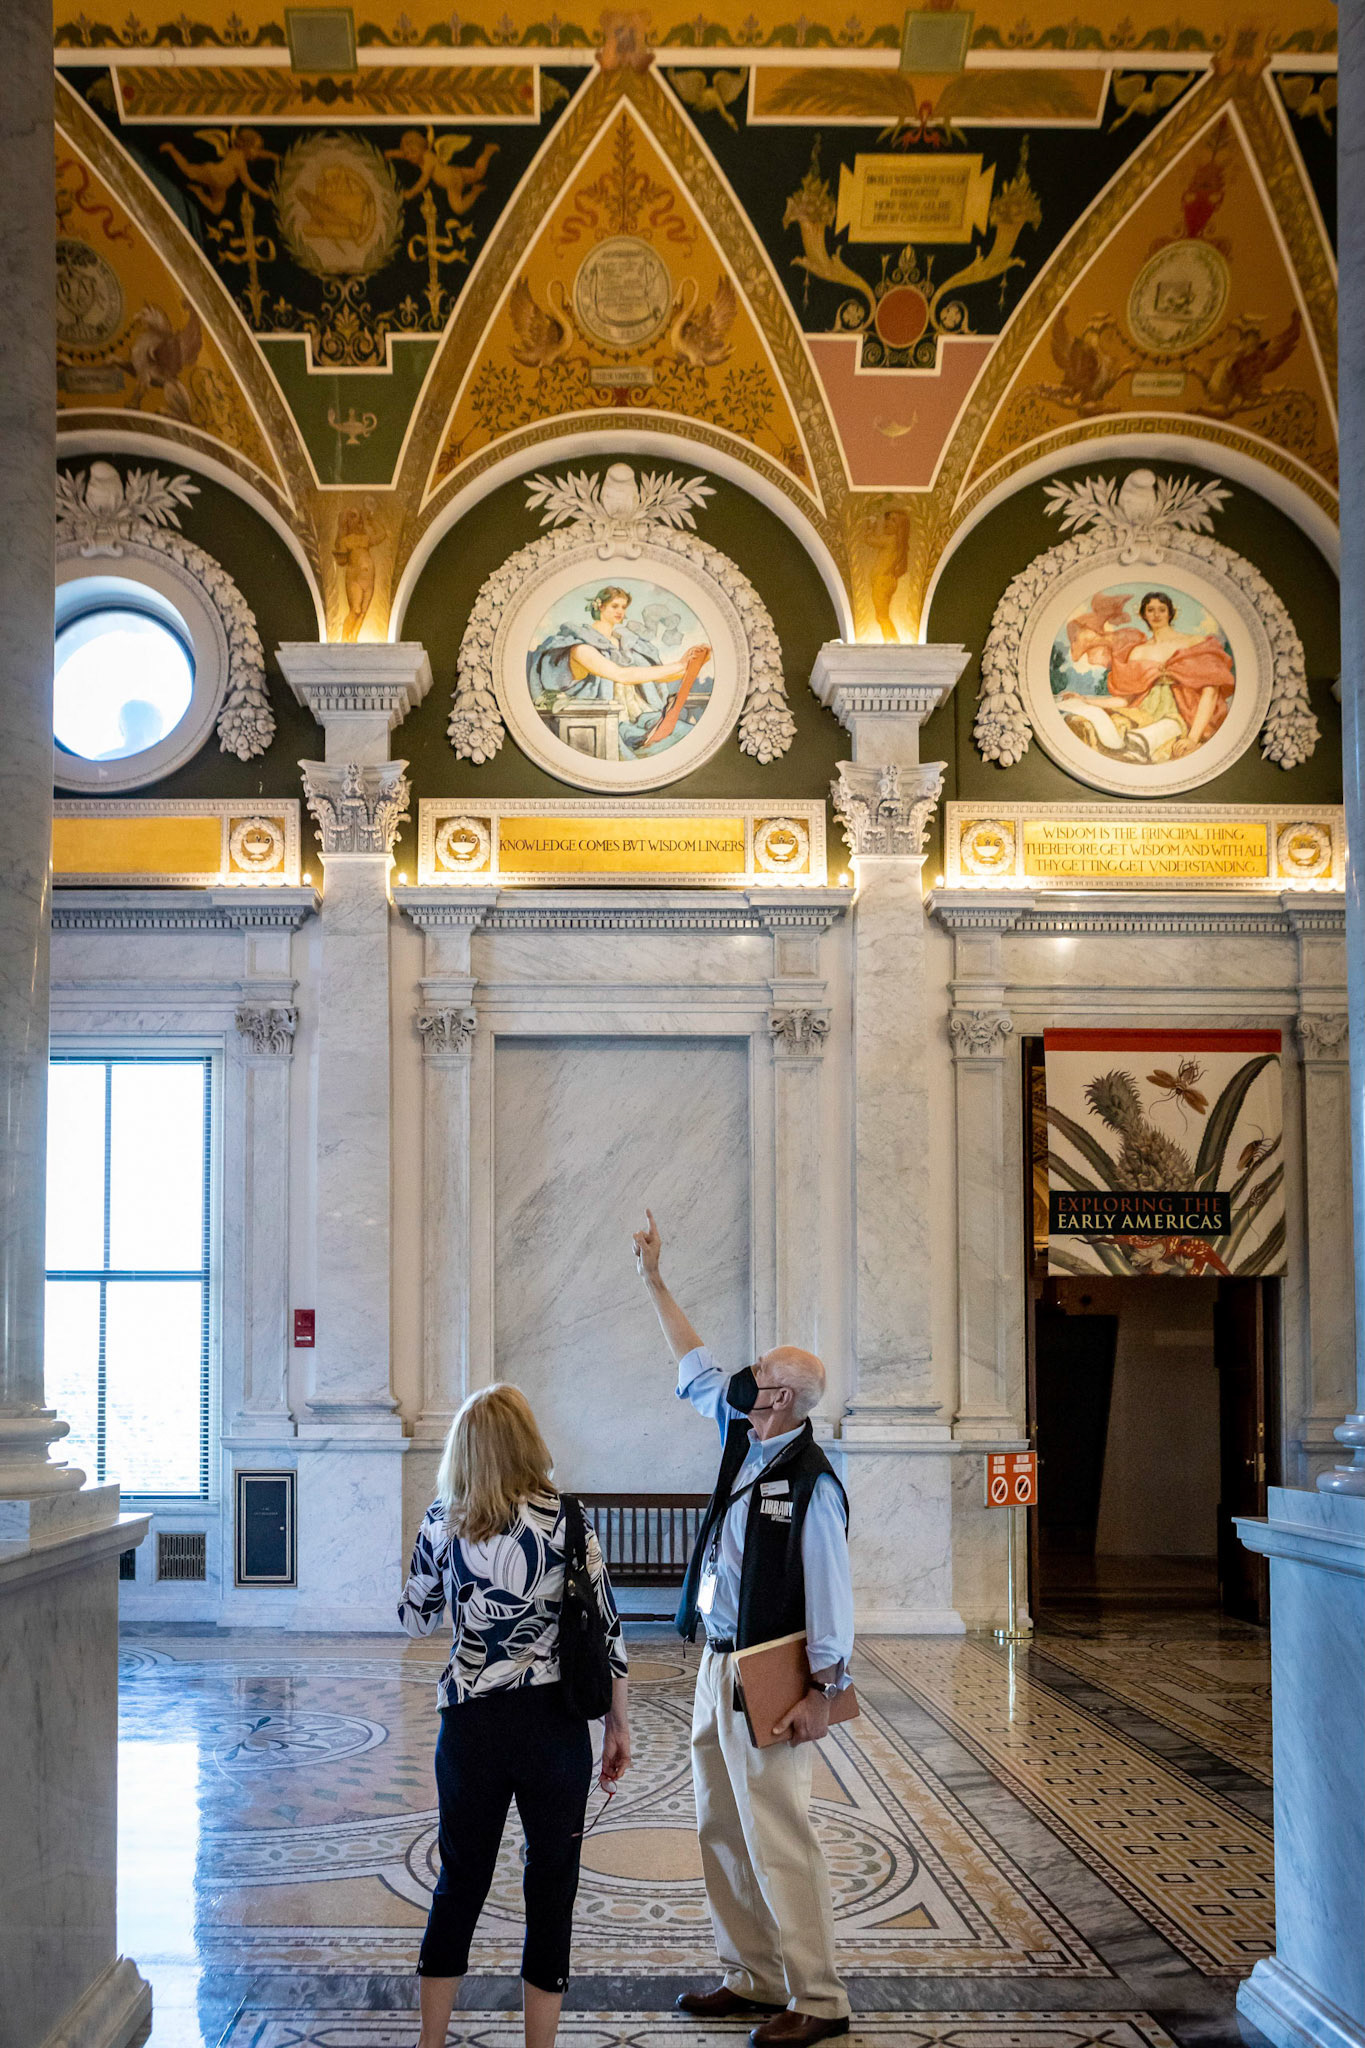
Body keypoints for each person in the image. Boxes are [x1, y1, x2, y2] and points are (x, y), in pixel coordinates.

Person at [632, 1209, 853, 2048]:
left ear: (783, 1396)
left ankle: (819, 1997)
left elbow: (831, 1595)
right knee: (719, 1822)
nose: (742, 1375)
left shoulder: (811, 1483)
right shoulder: (742, 1436)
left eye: (757, 1370)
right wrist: (655, 1280)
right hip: (715, 1664)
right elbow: (693, 1367)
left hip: (773, 1671)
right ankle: (754, 1976)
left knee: (778, 1831)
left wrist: (823, 1693)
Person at [399, 1384, 631, 2048]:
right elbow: (608, 1633)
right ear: (528, 1440)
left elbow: (413, 1618)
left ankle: (431, 2041)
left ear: (464, 1448)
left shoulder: (444, 1517)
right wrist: (619, 1725)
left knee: (460, 1882)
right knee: (551, 1886)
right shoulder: (569, 1518)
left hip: (470, 1727)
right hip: (554, 1728)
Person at [527, 585, 711, 755]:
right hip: (611, 723)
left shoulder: (628, 645)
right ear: (599, 607)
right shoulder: (581, 648)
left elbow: (657, 677)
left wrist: (691, 662)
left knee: (689, 734)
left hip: (644, 717)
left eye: (623, 607)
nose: (620, 611)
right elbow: (621, 675)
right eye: (615, 606)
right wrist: (680, 665)